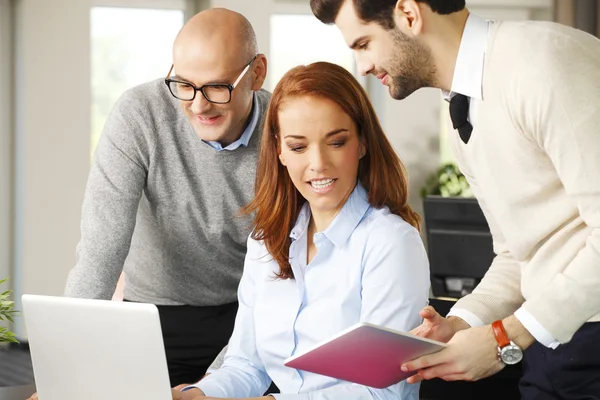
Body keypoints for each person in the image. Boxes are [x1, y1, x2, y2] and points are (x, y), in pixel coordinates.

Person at [310, 0, 600, 398]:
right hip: (556, 348)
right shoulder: (464, 109)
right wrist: (460, 322)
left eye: (364, 44)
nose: (361, 66)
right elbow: (518, 256)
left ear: (409, 15)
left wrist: (504, 337)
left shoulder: (542, 62)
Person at [172, 61, 430, 400]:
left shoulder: (390, 242)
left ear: (362, 143)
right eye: (298, 147)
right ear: (279, 150)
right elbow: (245, 365)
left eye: (336, 142)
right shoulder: (266, 242)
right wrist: (197, 394)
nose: (318, 163)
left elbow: (381, 391)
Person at [63, 8, 269, 387]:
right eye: (184, 85)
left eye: (217, 87)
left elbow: (281, 272)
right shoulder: (139, 114)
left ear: (256, 73)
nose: (198, 105)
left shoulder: (284, 131)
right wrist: (63, 366)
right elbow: (99, 252)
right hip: (150, 319)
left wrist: (218, 382)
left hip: (250, 318)